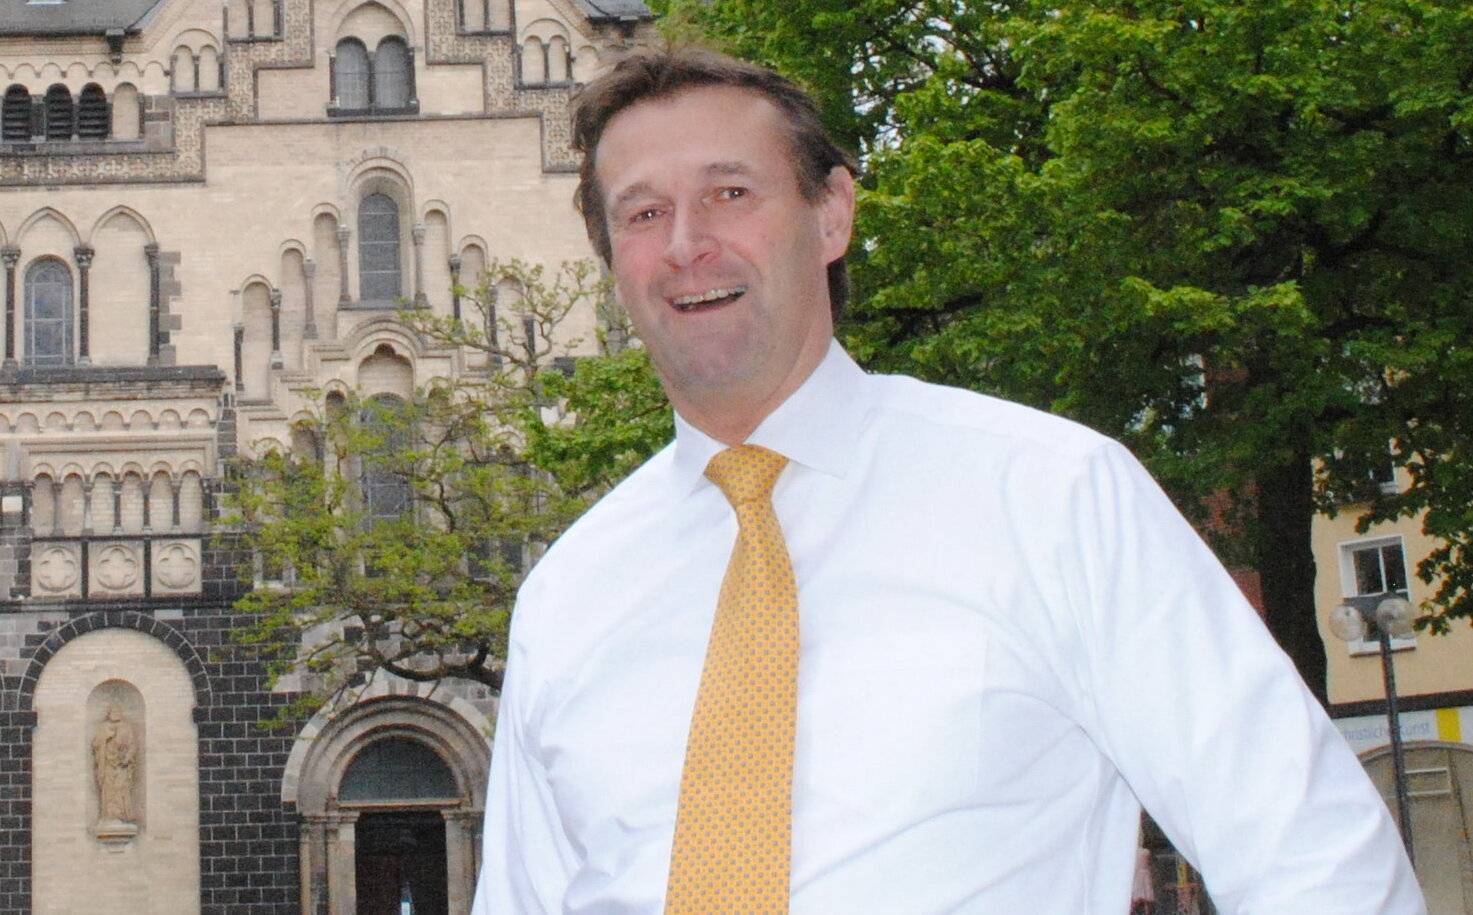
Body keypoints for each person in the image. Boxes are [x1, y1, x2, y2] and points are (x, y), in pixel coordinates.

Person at [472, 47, 1423, 913]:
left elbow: (1315, 858)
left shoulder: (1051, 496)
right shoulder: (569, 595)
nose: (686, 242)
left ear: (832, 212)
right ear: (611, 259)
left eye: (729, 192)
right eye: (642, 213)